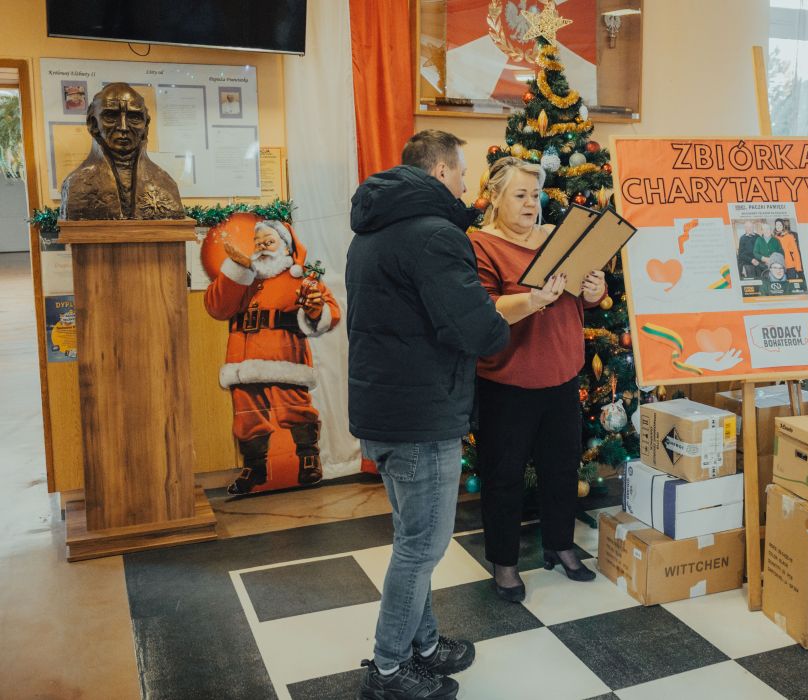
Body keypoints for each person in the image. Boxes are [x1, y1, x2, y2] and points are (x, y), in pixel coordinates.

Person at [346, 130, 510, 700]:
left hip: (385, 408)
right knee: (421, 548)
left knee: (412, 538)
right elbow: (475, 328)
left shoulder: (374, 228)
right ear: (441, 171)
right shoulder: (436, 236)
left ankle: (425, 646)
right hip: (420, 415)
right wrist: (501, 319)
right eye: (462, 172)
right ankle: (389, 670)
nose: (466, 185)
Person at [470, 157, 607, 603]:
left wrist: (595, 291)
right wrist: (532, 299)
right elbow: (486, 311)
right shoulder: (480, 244)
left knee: (562, 469)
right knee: (504, 477)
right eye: (520, 195)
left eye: (535, 194)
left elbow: (584, 297)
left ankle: (560, 544)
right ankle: (505, 563)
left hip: (561, 376)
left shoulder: (556, 238)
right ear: (495, 197)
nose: (531, 203)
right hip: (507, 384)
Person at [204, 220, 341, 495]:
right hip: (242, 361)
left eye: (269, 242)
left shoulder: (301, 278)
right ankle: (254, 468)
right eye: (258, 244)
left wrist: (315, 311)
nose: (262, 248)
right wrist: (237, 269)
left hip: (284, 358)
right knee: (247, 417)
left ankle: (308, 458)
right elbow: (217, 308)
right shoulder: (245, 279)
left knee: (295, 408)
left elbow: (329, 311)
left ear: (286, 247)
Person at [60, 82, 183, 220]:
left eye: (134, 118)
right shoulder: (76, 184)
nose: (123, 127)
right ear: (93, 124)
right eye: (111, 116)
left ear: (146, 126)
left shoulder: (166, 184)